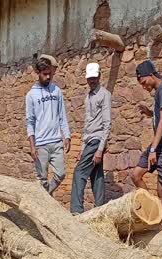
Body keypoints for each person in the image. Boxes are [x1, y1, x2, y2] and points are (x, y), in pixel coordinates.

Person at [130, 60, 162, 224]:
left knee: (161, 188)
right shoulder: (159, 91)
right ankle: (153, 209)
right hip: (158, 147)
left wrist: (153, 149)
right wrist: (150, 112)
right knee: (136, 175)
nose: (144, 87)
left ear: (151, 75)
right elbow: (161, 116)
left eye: (144, 82)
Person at [26, 57, 71, 194]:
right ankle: (44, 204)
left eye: (49, 74)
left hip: (56, 141)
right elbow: (30, 122)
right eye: (44, 74)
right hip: (41, 144)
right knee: (42, 179)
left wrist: (67, 135)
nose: (48, 77)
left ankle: (47, 194)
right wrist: (32, 146)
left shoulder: (56, 91)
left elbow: (62, 115)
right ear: (38, 73)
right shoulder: (31, 95)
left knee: (61, 173)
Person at [71, 62, 112, 214]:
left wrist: (100, 149)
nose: (92, 81)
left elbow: (107, 124)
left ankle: (76, 210)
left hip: (97, 140)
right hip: (90, 140)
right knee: (96, 175)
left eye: (94, 78)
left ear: (99, 76)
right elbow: (87, 124)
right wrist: (82, 148)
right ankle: (100, 210)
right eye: (90, 79)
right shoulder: (87, 97)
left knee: (79, 172)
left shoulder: (104, 95)